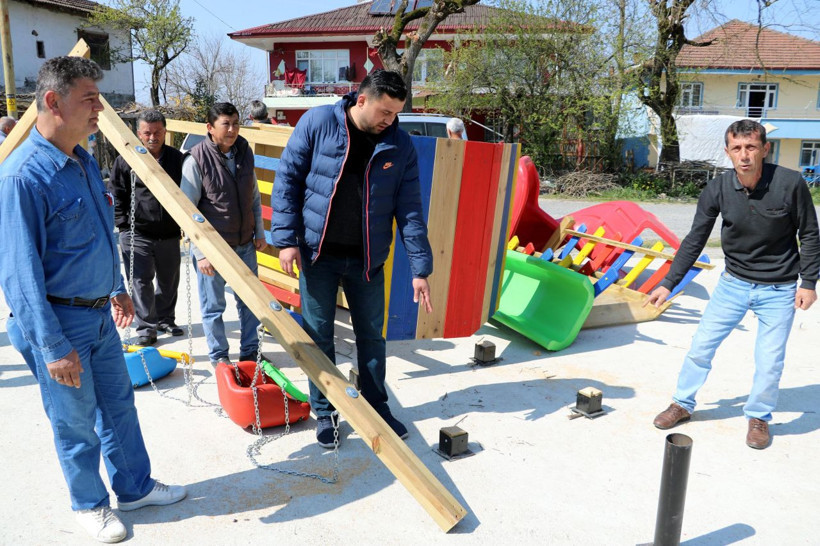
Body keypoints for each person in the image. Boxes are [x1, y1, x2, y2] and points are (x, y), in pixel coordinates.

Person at [0, 56, 186, 544]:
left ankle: (135, 487)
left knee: (119, 405)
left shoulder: (82, 160)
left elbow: (102, 234)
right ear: (53, 102)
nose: (99, 111)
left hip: (98, 313)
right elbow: (19, 274)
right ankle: (89, 504)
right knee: (74, 420)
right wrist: (52, 345)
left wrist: (118, 288)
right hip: (59, 322)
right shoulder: (23, 177)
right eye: (90, 100)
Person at [271, 69, 434, 448]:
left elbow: (409, 210)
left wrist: (420, 268)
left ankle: (376, 404)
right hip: (318, 255)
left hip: (367, 262)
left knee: (372, 339)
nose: (389, 120)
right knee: (319, 337)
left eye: (396, 113)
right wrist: (286, 240)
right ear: (362, 100)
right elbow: (288, 180)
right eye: (385, 112)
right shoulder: (318, 123)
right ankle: (325, 411)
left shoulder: (400, 145)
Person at [646, 119, 820, 450]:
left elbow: (809, 233)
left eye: (751, 147)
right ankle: (682, 403)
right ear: (727, 152)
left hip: (779, 288)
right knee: (701, 347)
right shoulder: (718, 188)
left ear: (765, 149)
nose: (744, 155)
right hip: (733, 284)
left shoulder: (790, 184)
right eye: (737, 148)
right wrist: (669, 282)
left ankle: (759, 417)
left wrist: (808, 281)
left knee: (769, 360)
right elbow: (695, 238)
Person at [181, 102, 267, 366]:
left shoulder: (244, 151)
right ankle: (219, 357)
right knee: (213, 307)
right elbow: (187, 211)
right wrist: (200, 253)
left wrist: (259, 232)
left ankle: (250, 351)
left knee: (250, 303)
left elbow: (252, 195)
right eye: (225, 124)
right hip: (213, 250)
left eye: (235, 123)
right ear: (210, 127)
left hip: (244, 244)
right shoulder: (196, 159)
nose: (232, 130)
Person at [109, 110, 184, 346]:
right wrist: (123, 227)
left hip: (169, 232)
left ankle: (165, 319)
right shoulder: (126, 159)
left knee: (169, 279)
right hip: (137, 231)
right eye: (147, 133)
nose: (153, 137)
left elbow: (188, 192)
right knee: (140, 280)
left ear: (165, 132)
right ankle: (146, 327)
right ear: (139, 134)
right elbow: (117, 194)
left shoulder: (176, 159)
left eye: (158, 132)